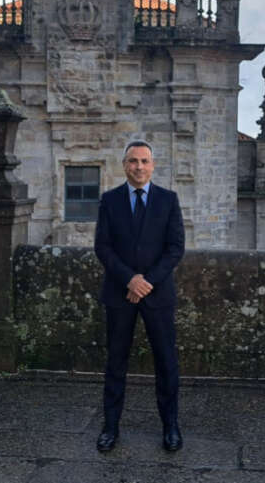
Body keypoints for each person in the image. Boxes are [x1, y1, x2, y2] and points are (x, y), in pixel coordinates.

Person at [94, 140, 185, 453]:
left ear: (153, 165)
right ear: (124, 166)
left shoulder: (168, 200)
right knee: (115, 363)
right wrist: (130, 280)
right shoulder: (109, 200)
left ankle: (171, 426)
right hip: (120, 294)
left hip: (157, 295)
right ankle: (110, 427)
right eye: (133, 161)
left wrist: (146, 282)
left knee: (166, 363)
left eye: (145, 161)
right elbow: (102, 247)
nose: (139, 167)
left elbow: (175, 248)